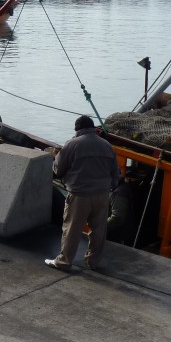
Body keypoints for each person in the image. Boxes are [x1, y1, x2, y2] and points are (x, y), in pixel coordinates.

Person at [46, 115, 120, 272]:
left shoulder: (72, 144)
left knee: (72, 229)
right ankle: (93, 262)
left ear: (77, 129)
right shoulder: (107, 146)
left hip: (80, 195)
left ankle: (64, 261)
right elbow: (115, 172)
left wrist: (55, 157)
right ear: (93, 128)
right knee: (99, 231)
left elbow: (57, 169)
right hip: (102, 195)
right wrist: (110, 187)